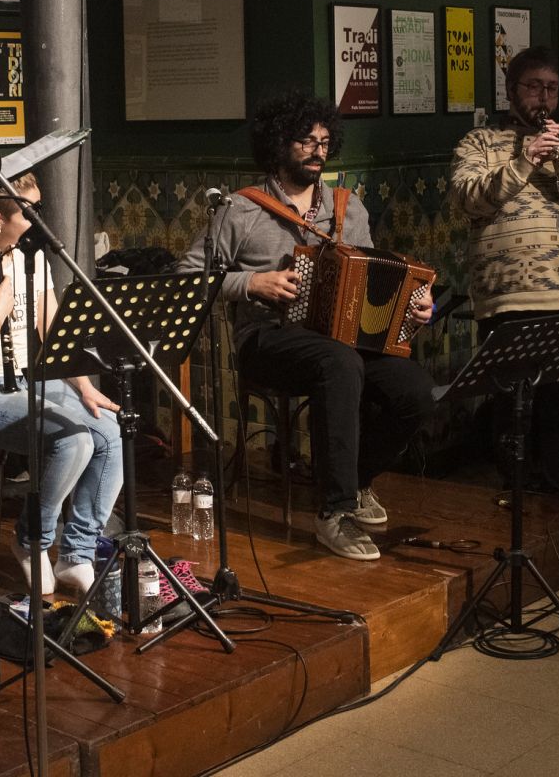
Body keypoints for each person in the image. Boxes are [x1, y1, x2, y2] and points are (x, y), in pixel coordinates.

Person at [178, 90, 435, 561]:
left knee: (414, 389)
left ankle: (356, 479)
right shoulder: (242, 209)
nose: (318, 151)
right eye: (306, 141)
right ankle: (334, 512)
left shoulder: (347, 207)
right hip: (267, 340)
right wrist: (252, 283)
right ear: (278, 144)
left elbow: (376, 276)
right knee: (339, 363)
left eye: (324, 142)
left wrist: (412, 306)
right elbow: (187, 278)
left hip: (343, 341)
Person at [0, 173, 122, 596]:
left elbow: (51, 333)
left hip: (23, 380)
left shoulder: (29, 260)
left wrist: (84, 387)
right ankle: (32, 541)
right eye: (29, 211)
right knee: (73, 440)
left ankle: (78, 552)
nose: (38, 220)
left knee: (108, 431)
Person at [450, 46, 559, 498]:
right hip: (510, 300)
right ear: (511, 91)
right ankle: (518, 504)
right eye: (534, 87)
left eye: (552, 89)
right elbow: (466, 199)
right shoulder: (480, 142)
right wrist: (524, 161)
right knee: (512, 411)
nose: (544, 97)